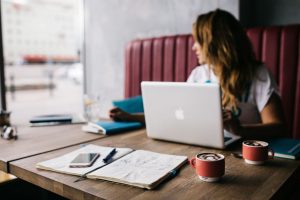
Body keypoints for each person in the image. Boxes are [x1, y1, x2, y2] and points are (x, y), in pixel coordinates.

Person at [109, 9, 287, 139]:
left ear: (216, 44)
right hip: (204, 149)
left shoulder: (258, 74)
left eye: (198, 41)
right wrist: (129, 116)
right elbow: (173, 115)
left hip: (243, 152)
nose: (194, 47)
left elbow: (278, 127)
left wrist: (240, 130)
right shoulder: (198, 75)